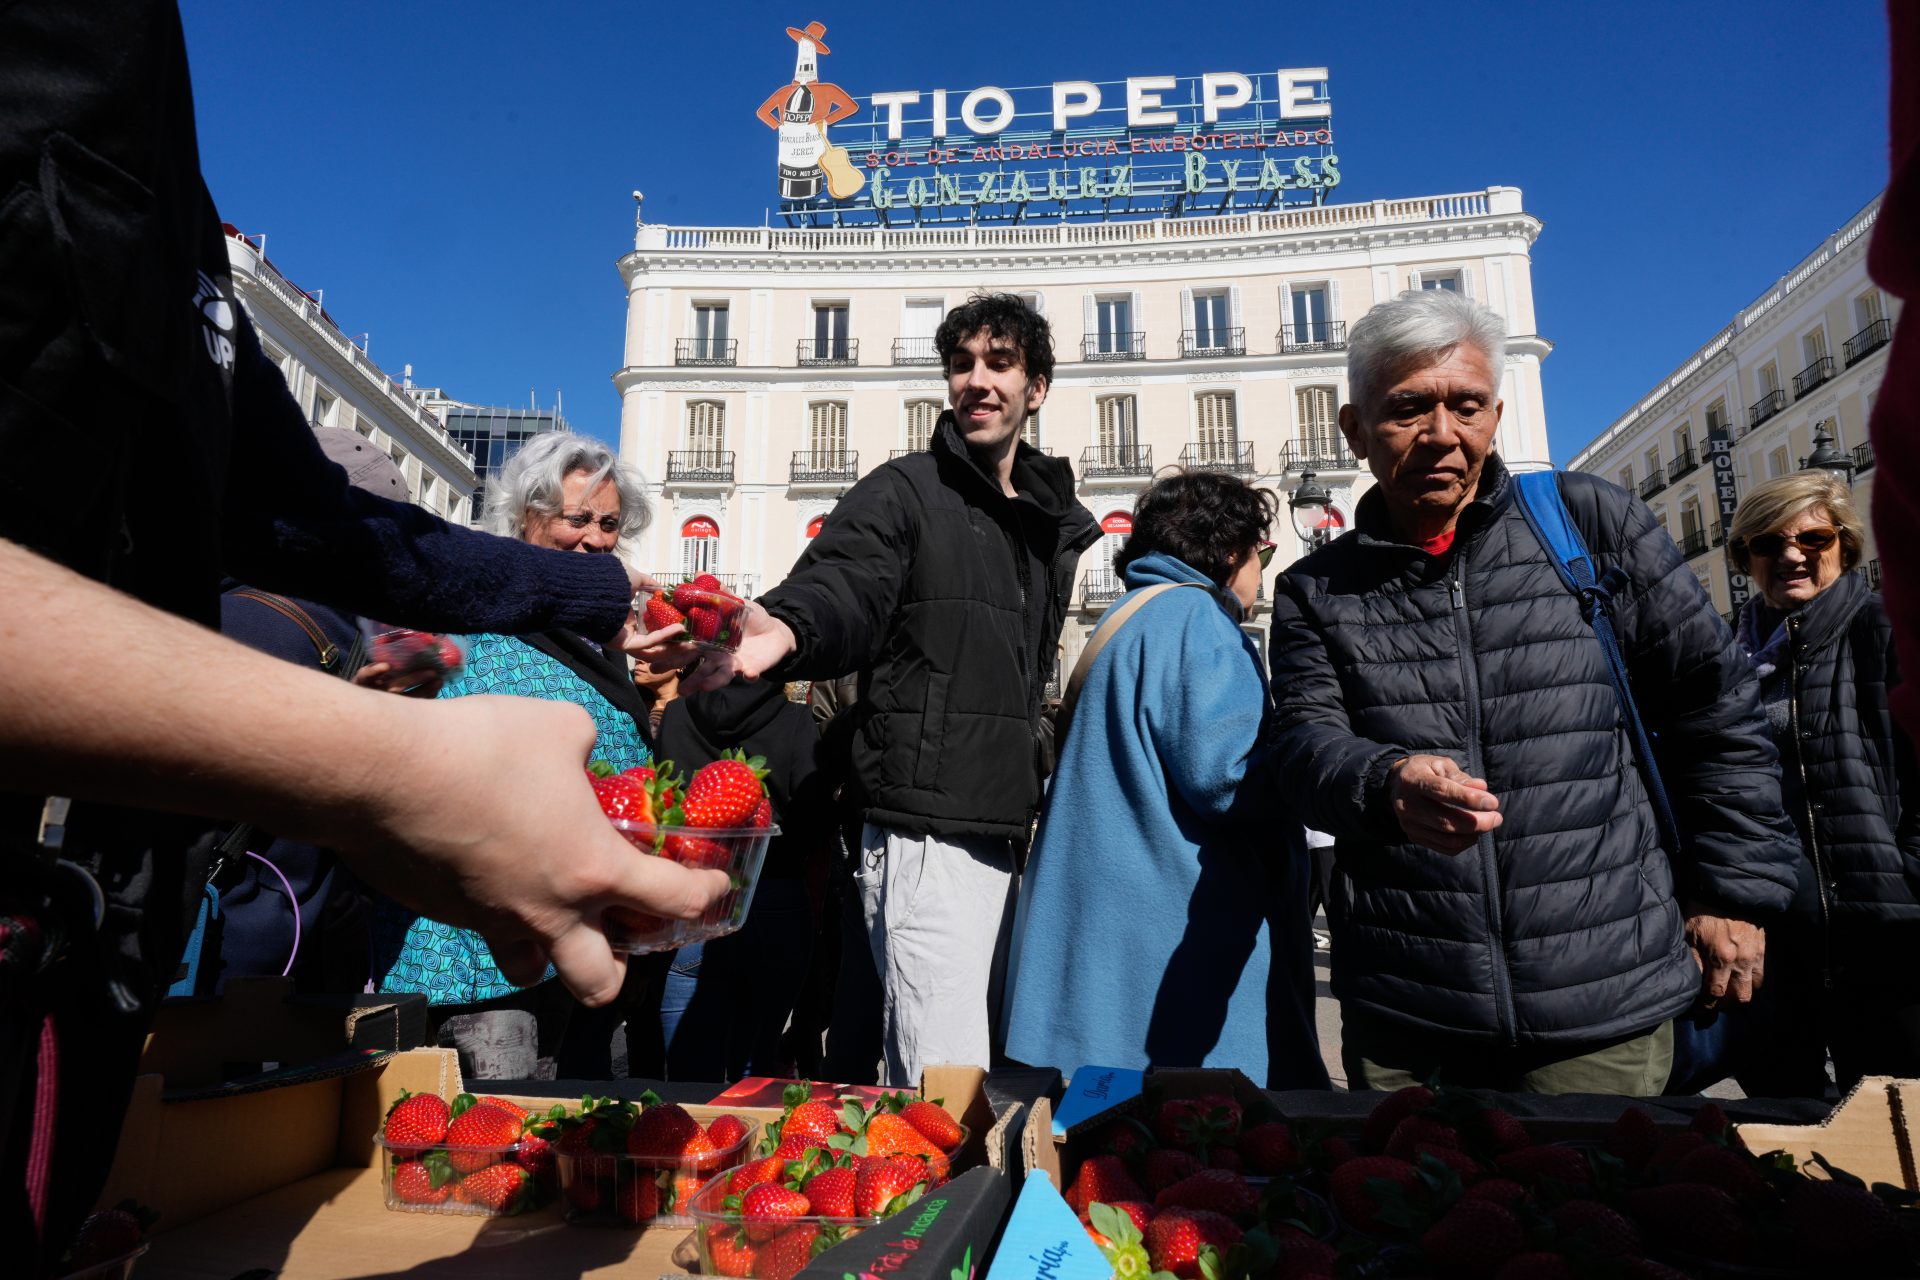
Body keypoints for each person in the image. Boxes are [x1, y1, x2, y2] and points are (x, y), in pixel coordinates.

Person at [0, 3, 723, 1259]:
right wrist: (375, 765)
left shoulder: (148, 116)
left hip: (76, 946)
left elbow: (321, 523)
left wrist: (614, 598)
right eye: (583, 527)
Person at [1265, 289, 1800, 1094]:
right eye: (1409, 408)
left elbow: (1714, 710)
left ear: (1496, 414)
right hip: (1411, 1019)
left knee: (1598, 1214)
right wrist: (1383, 783)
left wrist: (1732, 893)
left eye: (1467, 406)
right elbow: (1302, 748)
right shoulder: (1314, 589)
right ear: (1354, 428)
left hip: (1602, 1006)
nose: (1442, 434)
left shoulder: (1590, 525)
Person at [659, 293, 1100, 1085]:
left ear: (1037, 387)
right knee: (941, 1074)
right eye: (961, 365)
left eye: (999, 364)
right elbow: (847, 583)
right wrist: (787, 628)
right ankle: (927, 1213)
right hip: (923, 825)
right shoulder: (903, 490)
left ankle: (962, 1202)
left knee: (981, 1070)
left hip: (1003, 820)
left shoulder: (1041, 521)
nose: (977, 381)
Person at [1002, 471, 1328, 1088]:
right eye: (1263, 553)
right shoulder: (1197, 618)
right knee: (1196, 1162)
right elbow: (1227, 778)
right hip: (1172, 946)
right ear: (1233, 550)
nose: (1262, 569)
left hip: (1103, 952)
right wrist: (1310, 758)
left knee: (1097, 1150)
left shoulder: (1125, 618)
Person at [373, 433, 660, 1080]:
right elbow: (402, 681)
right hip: (483, 957)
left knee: (567, 1135)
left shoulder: (599, 637)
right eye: (576, 518)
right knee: (494, 1142)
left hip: (583, 936)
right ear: (525, 517)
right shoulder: (469, 610)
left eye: (609, 524)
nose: (594, 538)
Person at [1710, 472, 1920, 1094]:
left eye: (1813, 538)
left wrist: (1909, 879)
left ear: (1844, 546)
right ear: (1745, 558)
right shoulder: (1727, 659)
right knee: (1786, 1129)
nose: (1791, 555)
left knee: (1899, 1128)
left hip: (1886, 935)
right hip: (1774, 947)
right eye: (1767, 543)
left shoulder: (1884, 628)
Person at [646, 678, 835, 1080]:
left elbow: (668, 807)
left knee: (689, 1079)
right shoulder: (796, 719)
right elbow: (814, 818)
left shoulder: (678, 713)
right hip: (775, 897)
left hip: (694, 901)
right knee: (755, 1074)